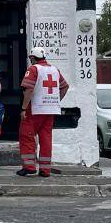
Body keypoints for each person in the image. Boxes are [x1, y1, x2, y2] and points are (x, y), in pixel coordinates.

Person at [17, 46, 69, 177]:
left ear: (33, 58)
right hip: (50, 110)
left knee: (27, 136)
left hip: (34, 109)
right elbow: (65, 86)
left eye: (31, 59)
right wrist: (56, 100)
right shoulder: (55, 70)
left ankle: (29, 166)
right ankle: (45, 170)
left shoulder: (34, 69)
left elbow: (28, 90)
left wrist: (23, 108)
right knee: (46, 139)